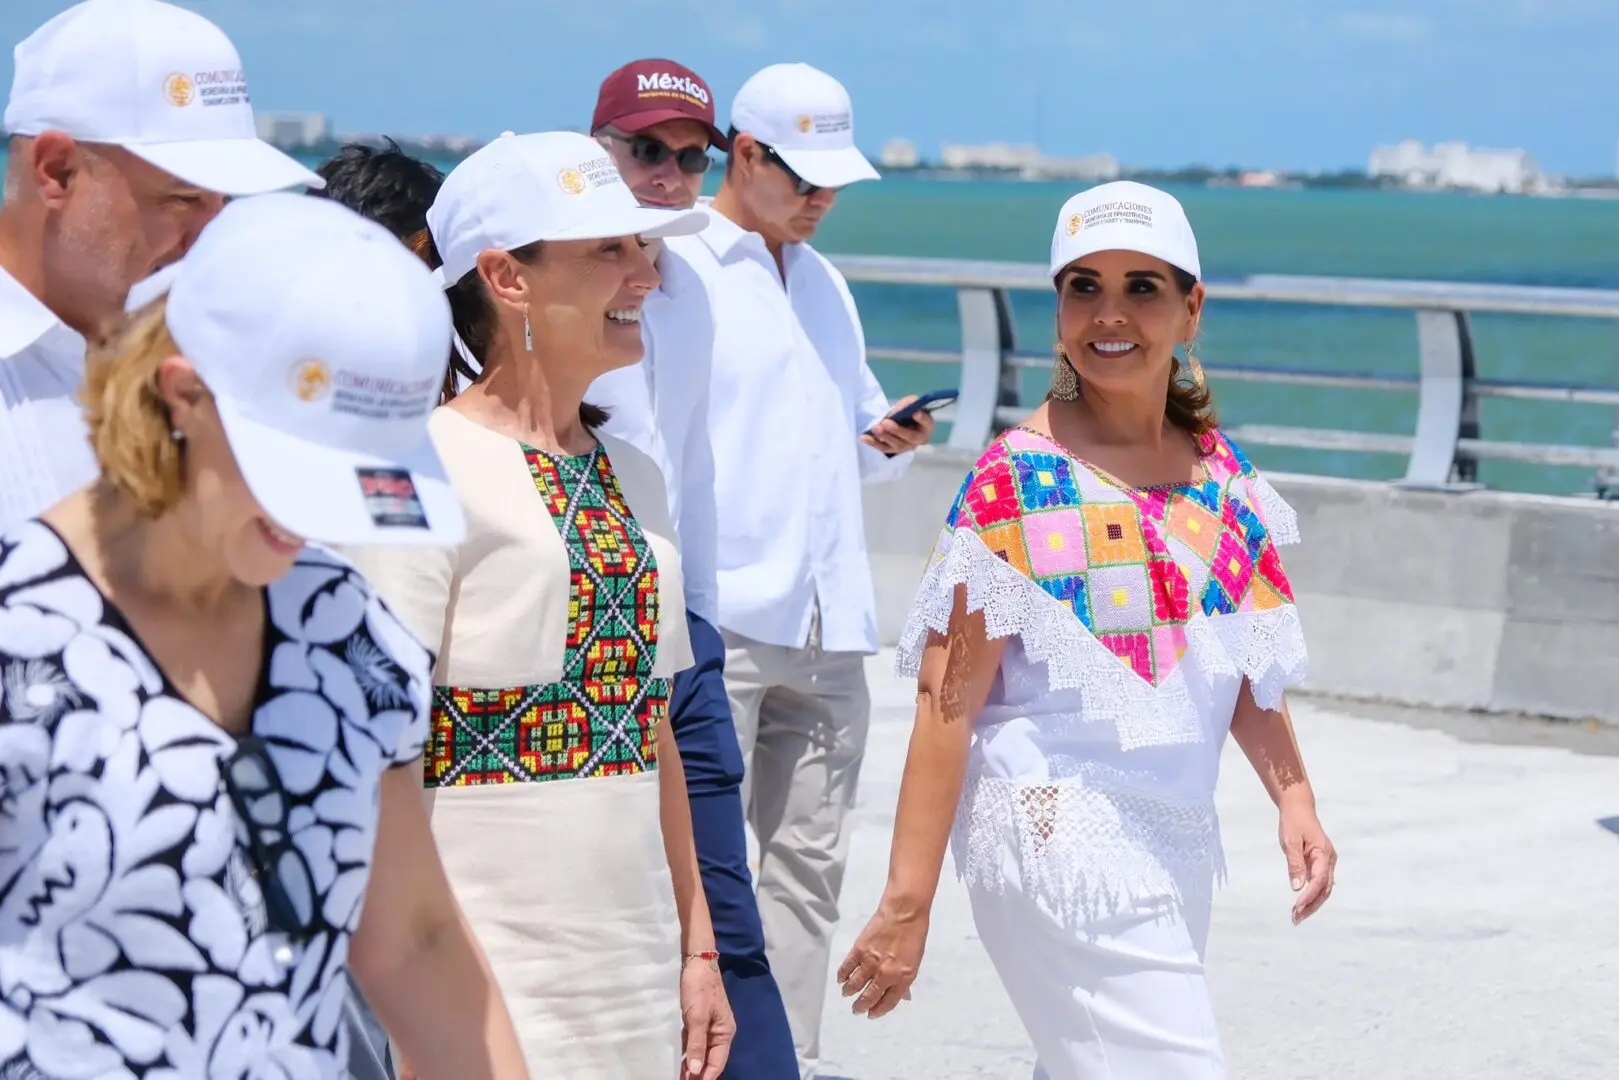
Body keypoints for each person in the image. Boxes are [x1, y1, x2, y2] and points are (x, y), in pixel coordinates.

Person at [0, 192, 528, 1078]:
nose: (315, 523)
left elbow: (414, 939)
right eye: (301, 474)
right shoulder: (21, 637)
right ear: (183, 396)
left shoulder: (350, 635)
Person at [837, 181, 1336, 1080]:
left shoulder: (1214, 465)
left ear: (1190, 308)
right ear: (1058, 307)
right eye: (1083, 285)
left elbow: (1241, 656)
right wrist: (906, 903)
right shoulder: (1018, 481)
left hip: (1173, 835)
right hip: (1058, 834)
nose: (1110, 313)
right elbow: (945, 702)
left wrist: (1293, 797)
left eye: (1142, 286)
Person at [344, 131, 735, 1079]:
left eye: (642, 248)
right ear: (504, 278)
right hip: (476, 953)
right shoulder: (415, 469)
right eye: (608, 250)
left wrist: (698, 952)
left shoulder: (631, 473)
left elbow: (652, 731)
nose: (643, 275)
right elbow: (373, 756)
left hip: (631, 948)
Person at [634, 61, 931, 1078]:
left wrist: (881, 439)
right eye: (802, 178)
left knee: (807, 870)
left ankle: (784, 1061)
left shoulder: (826, 282)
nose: (820, 200)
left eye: (833, 182)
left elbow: (841, 428)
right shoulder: (676, 269)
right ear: (744, 155)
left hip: (828, 619)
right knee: (705, 879)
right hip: (723, 614)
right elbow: (653, 440)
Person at [587, 57, 799, 1079]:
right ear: (598, 148)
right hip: (571, 635)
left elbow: (694, 472)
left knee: (724, 912)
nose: (668, 173)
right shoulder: (548, 274)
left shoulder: (700, 291)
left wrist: (700, 624)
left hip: (681, 633)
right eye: (644, 150)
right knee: (607, 913)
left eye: (686, 155)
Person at [0, 0, 326, 533]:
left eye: (224, 204)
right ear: (56, 172)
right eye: (180, 200)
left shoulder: (215, 363)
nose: (209, 238)